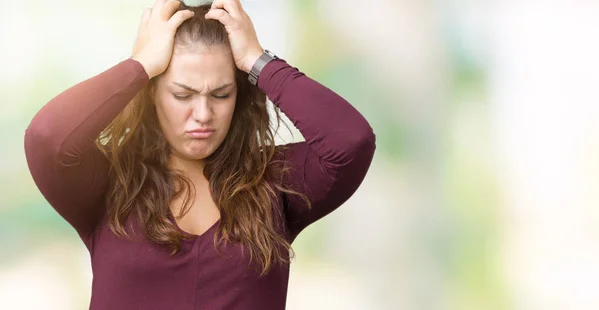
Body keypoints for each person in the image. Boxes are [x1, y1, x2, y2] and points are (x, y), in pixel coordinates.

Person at [24, 0, 376, 309]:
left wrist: (258, 60)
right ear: (150, 94)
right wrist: (140, 65)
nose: (203, 115)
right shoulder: (110, 179)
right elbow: (47, 137)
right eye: (183, 95)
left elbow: (351, 141)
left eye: (221, 95)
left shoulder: (274, 182)